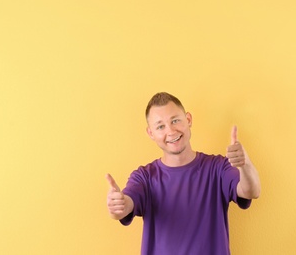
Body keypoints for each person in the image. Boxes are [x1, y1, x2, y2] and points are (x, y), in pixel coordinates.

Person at [105, 92, 260, 255]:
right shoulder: (144, 177)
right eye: (160, 126)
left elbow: (251, 191)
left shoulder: (217, 167)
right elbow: (127, 204)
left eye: (175, 120)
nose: (171, 131)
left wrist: (245, 164)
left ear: (188, 120)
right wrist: (119, 205)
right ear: (151, 133)